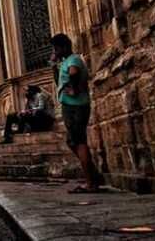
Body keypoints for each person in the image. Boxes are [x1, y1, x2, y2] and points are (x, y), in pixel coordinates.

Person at [52, 33, 102, 193]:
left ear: (63, 47)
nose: (55, 51)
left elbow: (74, 73)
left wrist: (73, 89)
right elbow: (59, 81)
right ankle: (93, 175)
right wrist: (53, 65)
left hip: (75, 106)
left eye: (56, 48)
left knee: (79, 142)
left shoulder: (73, 60)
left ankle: (90, 182)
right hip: (71, 106)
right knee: (72, 141)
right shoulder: (65, 62)